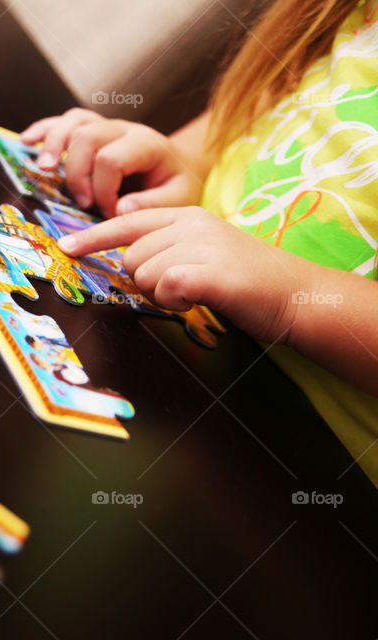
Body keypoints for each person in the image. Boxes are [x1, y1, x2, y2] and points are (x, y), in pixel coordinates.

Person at [21, 0, 378, 486]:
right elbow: (274, 98)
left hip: (312, 479)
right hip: (187, 361)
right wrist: (184, 161)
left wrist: (293, 297)